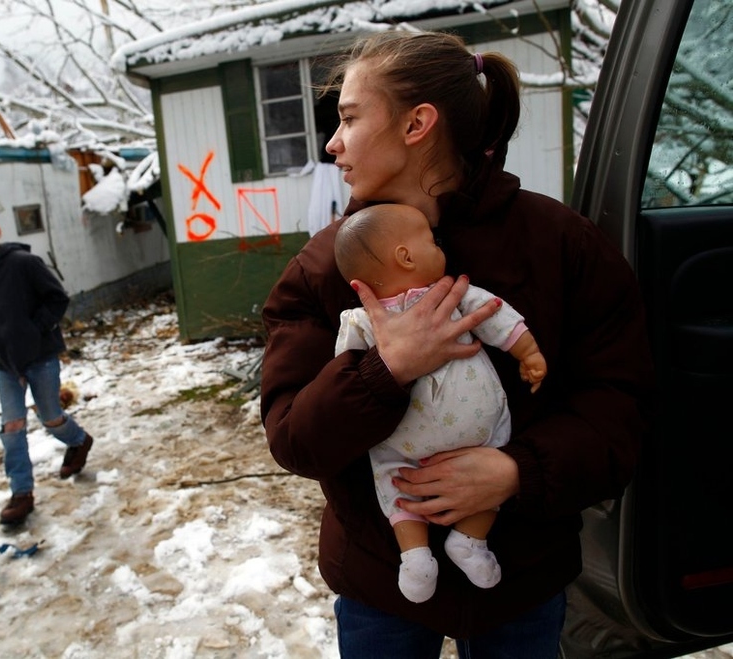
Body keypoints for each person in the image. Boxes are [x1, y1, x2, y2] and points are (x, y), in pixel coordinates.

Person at [260, 30, 653, 658]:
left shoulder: (563, 246)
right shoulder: (323, 268)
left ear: (417, 123)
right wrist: (383, 370)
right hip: (382, 579)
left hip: (520, 577)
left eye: (349, 118)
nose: (332, 143)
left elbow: (620, 410)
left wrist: (516, 471)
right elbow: (292, 438)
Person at [333, 203, 547, 604]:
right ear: (406, 256)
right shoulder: (371, 317)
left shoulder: (442, 299)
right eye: (432, 241)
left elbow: (493, 316)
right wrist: (529, 352)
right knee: (395, 478)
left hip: (451, 449)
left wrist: (526, 350)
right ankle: (425, 552)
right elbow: (345, 384)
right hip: (454, 439)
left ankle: (451, 546)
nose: (440, 247)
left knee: (406, 479)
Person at [0, 208, 93, 525]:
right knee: (12, 427)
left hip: (41, 356)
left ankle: (78, 440)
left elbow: (57, 298)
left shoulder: (24, 264)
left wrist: (36, 330)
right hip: (5, 365)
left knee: (50, 418)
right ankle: (21, 494)